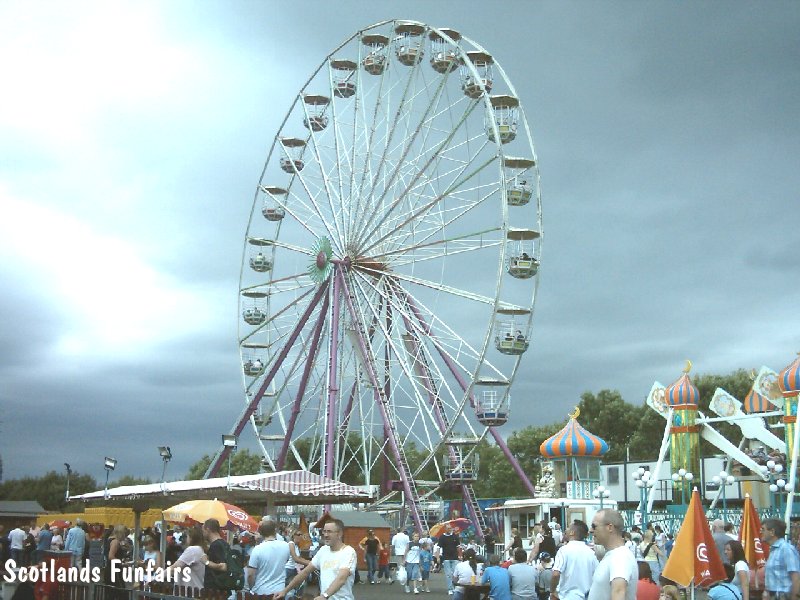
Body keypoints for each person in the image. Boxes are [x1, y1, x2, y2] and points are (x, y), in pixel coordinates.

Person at [276, 518, 357, 600]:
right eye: (324, 531)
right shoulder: (323, 550)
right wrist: (284, 591)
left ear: (339, 534)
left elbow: (341, 578)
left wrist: (324, 596)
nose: (325, 534)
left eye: (329, 531)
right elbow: (305, 572)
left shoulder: (348, 552)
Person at [587, 509, 638, 600]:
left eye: (594, 526)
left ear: (610, 527)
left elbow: (618, 592)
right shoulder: (614, 555)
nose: (591, 530)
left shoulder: (620, 557)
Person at [550, 520, 597, 600]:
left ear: (572, 532)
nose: (565, 530)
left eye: (568, 527)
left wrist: (552, 591)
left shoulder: (563, 550)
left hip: (566, 596)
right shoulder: (592, 553)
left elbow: (555, 574)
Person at [760, 518, 800, 600]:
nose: (761, 532)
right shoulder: (773, 550)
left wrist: (794, 597)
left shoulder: (786, 549)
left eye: (763, 529)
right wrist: (766, 592)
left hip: (784, 596)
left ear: (772, 532)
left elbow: (796, 577)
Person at [248, 520, 291, 595]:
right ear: (275, 531)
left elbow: (250, 575)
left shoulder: (257, 549)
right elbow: (285, 561)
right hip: (279, 591)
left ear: (261, 533)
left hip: (261, 591)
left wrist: (251, 587)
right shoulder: (285, 546)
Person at [202, 518, 233, 591]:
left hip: (216, 589)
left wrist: (206, 562)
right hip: (221, 587)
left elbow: (224, 566)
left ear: (208, 529)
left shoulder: (216, 545)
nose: (203, 534)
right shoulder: (224, 544)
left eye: (203, 531)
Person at [171, 527, 206, 591]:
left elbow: (174, 567)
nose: (185, 539)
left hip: (190, 592)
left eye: (187, 536)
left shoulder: (193, 549)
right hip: (195, 590)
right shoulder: (200, 549)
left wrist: (156, 578)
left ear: (191, 538)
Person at [286, 529, 311, 598]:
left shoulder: (296, 546)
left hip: (294, 569)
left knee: (301, 582)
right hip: (288, 569)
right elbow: (296, 558)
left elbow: (299, 558)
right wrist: (310, 563)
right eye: (298, 535)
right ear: (294, 535)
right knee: (289, 587)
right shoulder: (291, 544)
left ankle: (297, 596)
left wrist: (309, 562)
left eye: (301, 535)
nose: (300, 536)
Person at [439, 525, 462, 595]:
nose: (450, 529)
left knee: (455, 574)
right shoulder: (442, 537)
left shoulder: (455, 536)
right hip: (446, 558)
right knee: (448, 574)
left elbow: (458, 547)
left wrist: (460, 556)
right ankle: (450, 588)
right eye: (448, 528)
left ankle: (455, 588)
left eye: (450, 528)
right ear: (445, 529)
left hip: (455, 558)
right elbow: (438, 547)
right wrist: (437, 557)